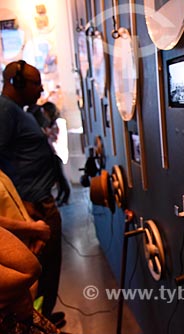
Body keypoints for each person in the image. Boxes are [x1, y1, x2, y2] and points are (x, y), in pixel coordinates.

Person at [0, 60, 65, 326]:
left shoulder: (17, 110)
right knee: (42, 269)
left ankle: (44, 317)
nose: (40, 88)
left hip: (37, 199)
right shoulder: (5, 111)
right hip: (33, 204)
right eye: (36, 82)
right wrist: (25, 205)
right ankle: (38, 321)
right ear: (16, 83)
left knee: (49, 268)